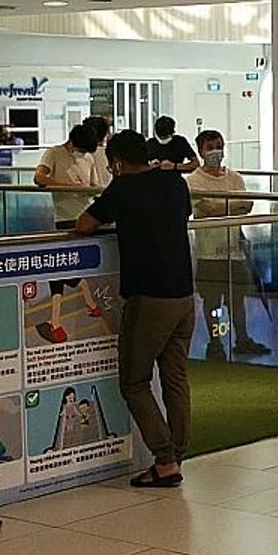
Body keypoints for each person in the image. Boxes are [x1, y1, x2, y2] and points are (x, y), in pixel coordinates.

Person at [77, 129, 196, 488]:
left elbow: (85, 224)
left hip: (149, 298)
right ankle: (178, 452)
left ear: (116, 162)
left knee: (134, 381)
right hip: (184, 296)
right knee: (175, 378)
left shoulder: (123, 188)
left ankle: (165, 460)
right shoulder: (175, 184)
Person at [186, 129, 268, 359]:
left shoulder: (235, 178)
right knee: (212, 300)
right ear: (201, 151)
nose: (215, 152)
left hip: (235, 250)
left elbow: (247, 205)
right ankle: (215, 342)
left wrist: (218, 208)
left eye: (218, 146)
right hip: (209, 253)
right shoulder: (193, 181)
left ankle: (242, 339)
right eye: (210, 147)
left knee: (237, 299)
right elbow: (207, 210)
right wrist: (230, 207)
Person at [34, 122, 105, 230]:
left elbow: (93, 184)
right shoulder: (54, 153)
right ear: (72, 143)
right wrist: (70, 186)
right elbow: (39, 178)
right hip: (65, 216)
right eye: (81, 150)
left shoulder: (88, 157)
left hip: (87, 214)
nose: (83, 154)